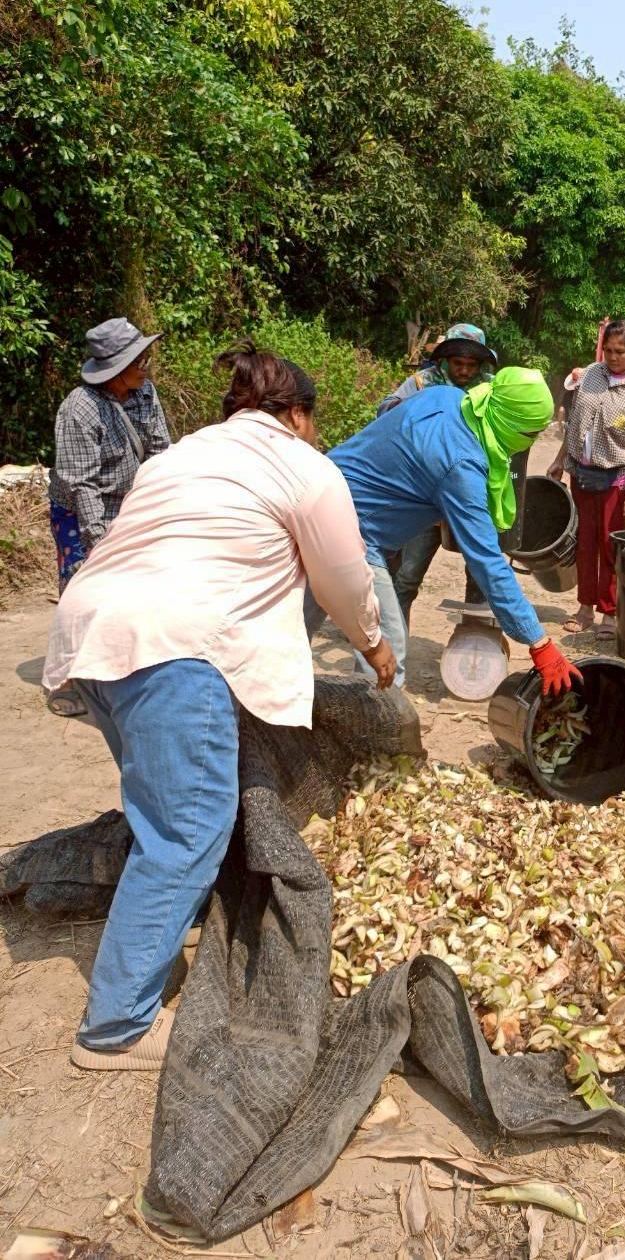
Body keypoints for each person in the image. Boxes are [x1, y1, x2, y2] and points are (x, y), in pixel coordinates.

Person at [42, 342, 395, 1071]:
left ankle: (164, 923)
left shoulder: (179, 458)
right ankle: (116, 1026)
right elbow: (341, 577)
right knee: (187, 831)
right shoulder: (304, 466)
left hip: (94, 633)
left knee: (165, 813)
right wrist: (377, 647)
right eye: (312, 418)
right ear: (295, 413)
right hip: (175, 646)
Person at [324, 366, 580, 694]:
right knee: (388, 649)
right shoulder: (461, 466)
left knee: (291, 632)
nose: (528, 444)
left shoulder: (447, 397)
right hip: (350, 534)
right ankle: (374, 734)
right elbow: (487, 563)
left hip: (320, 495)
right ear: (509, 422)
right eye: (530, 434)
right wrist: (539, 642)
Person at [46, 318, 172, 716]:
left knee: (145, 583)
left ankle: (129, 666)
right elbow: (82, 485)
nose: (146, 365)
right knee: (84, 585)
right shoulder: (78, 411)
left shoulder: (145, 393)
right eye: (140, 360)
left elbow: (159, 453)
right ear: (116, 368)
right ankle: (67, 678)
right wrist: (101, 543)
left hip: (130, 502)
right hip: (80, 508)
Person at [376, 323, 499, 625]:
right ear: (445, 360)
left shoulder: (492, 387)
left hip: (473, 493)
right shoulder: (422, 382)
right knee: (406, 578)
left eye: (472, 365)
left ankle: (474, 648)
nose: (465, 371)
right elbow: (385, 411)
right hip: (424, 495)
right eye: (459, 363)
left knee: (482, 576)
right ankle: (393, 645)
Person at [547, 319, 625, 638]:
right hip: (582, 475)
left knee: (610, 546)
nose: (613, 357)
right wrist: (559, 461)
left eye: (620, 351)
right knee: (584, 544)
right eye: (608, 350)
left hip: (617, 480)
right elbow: (576, 426)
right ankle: (585, 607)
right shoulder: (592, 375)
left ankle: (609, 613)